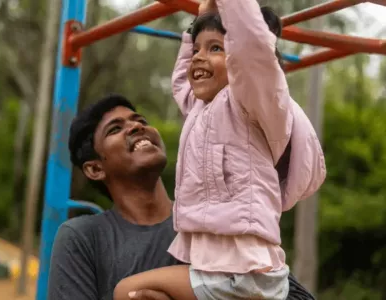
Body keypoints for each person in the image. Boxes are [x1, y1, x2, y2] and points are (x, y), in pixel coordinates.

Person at [113, 0, 326, 300]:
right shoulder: (200, 108)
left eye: (215, 48)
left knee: (127, 291)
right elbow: (181, 83)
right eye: (197, 49)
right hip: (221, 270)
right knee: (142, 295)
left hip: (245, 272)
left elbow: (252, 49)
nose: (198, 58)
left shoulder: (251, 101)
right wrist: (202, 17)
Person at [48, 93, 317, 300]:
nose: (136, 127)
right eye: (115, 129)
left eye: (140, 121)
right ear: (95, 169)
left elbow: (289, 293)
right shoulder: (83, 237)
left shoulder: (217, 218)